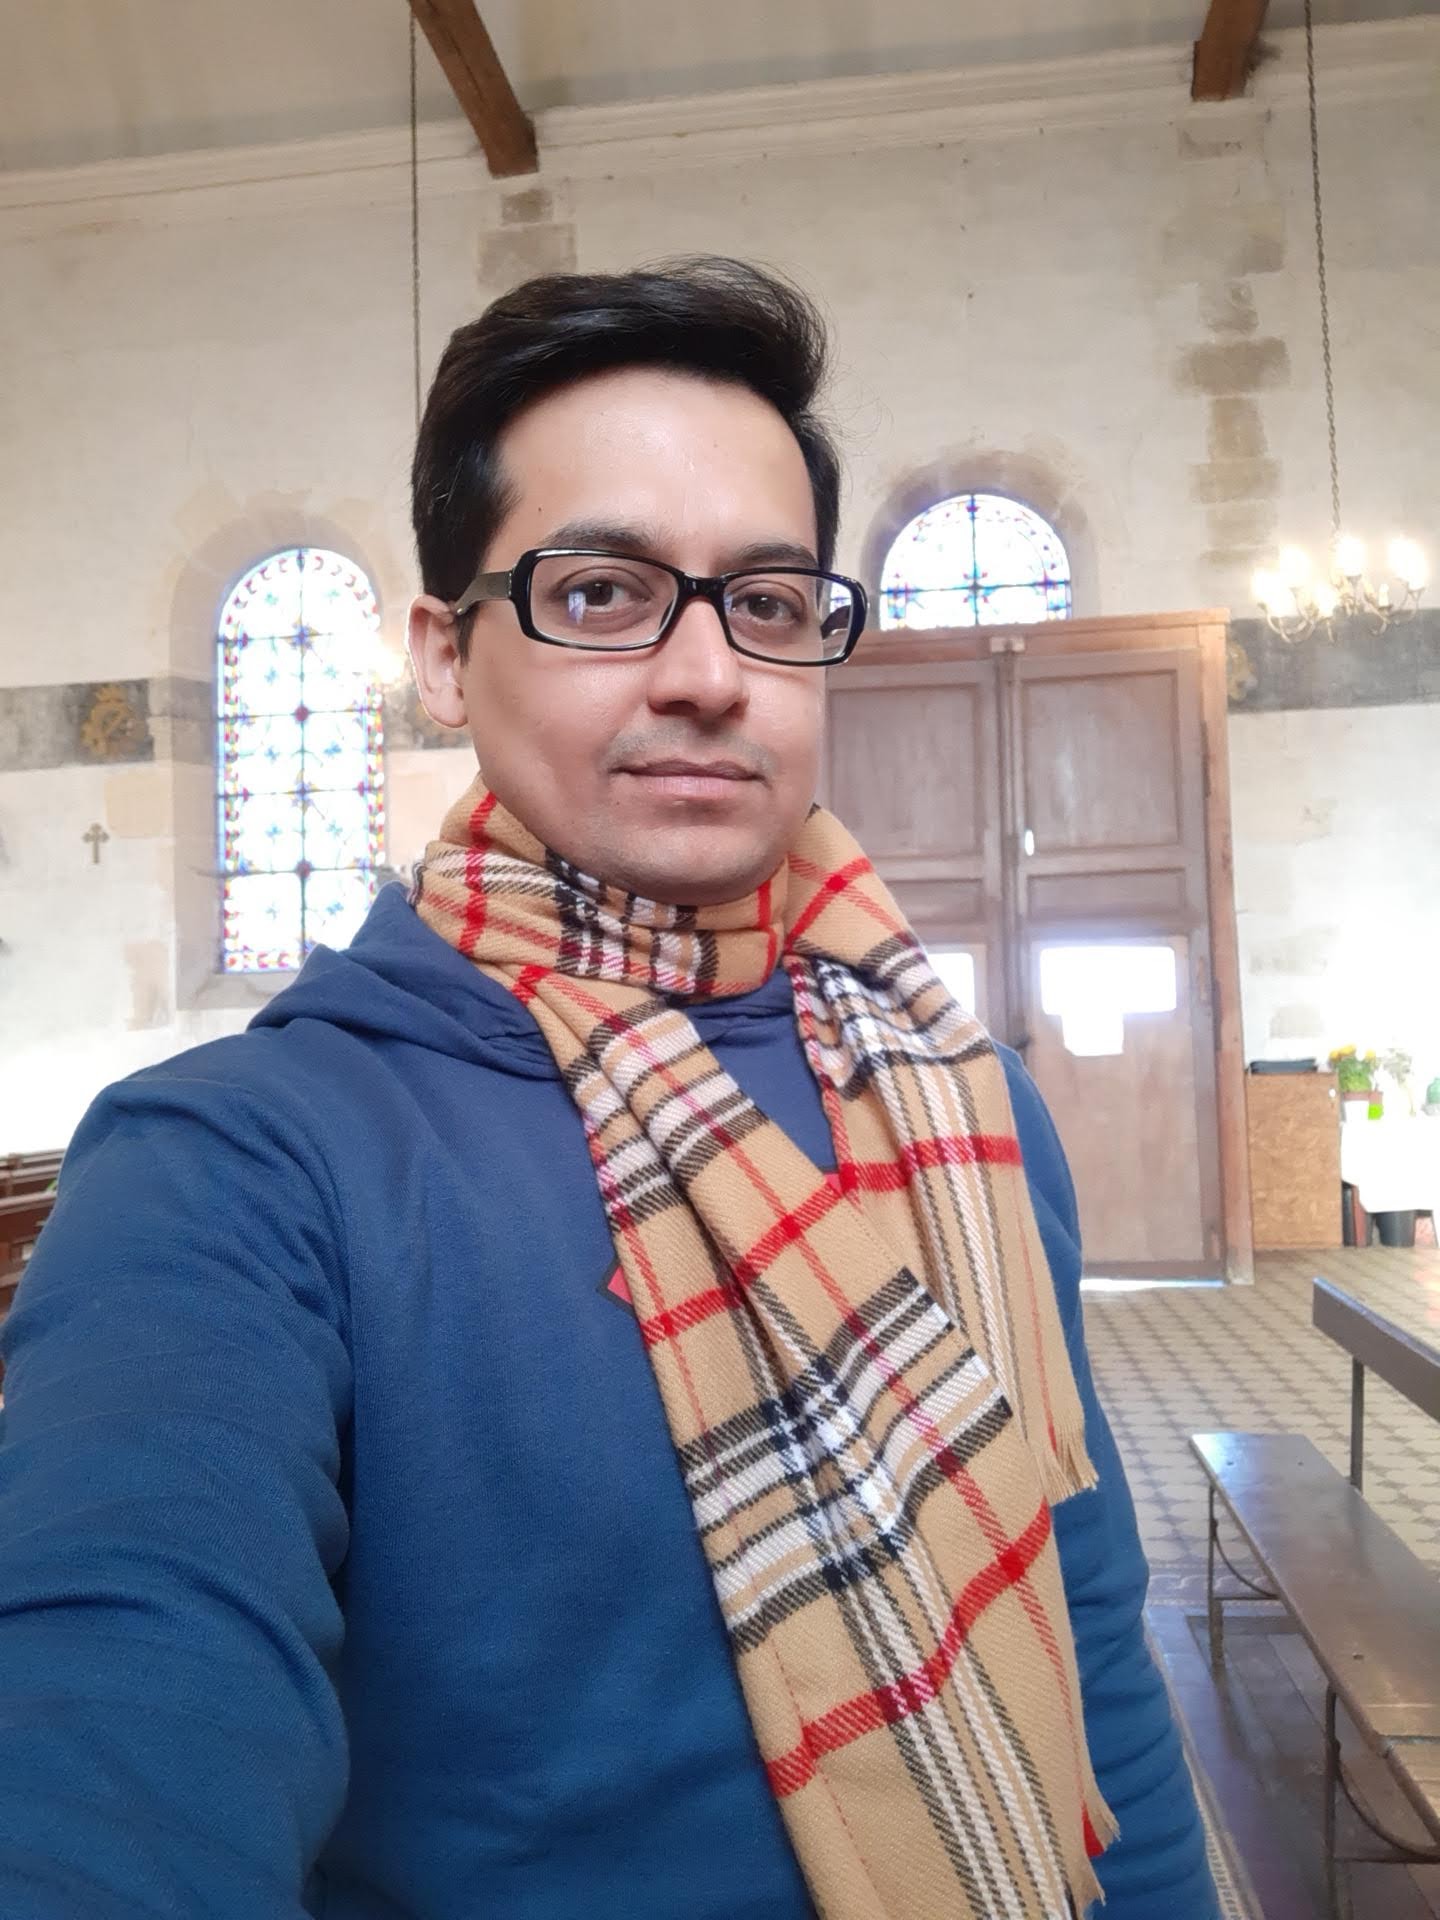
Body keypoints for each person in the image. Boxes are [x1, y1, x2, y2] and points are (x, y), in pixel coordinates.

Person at [0, 258, 1218, 1920]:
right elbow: (117, 1727)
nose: (709, 674)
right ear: (444, 656)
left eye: (768, 602)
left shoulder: (963, 1096)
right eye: (598, 593)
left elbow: (1086, 1646)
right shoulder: (236, 1165)